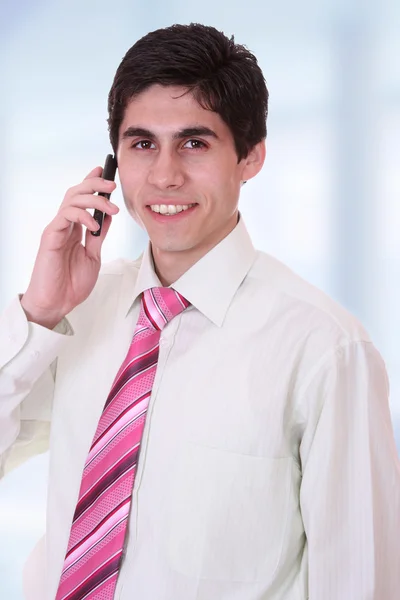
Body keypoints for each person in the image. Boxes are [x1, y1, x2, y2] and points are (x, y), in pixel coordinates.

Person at [0, 22, 399, 600]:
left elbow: (359, 584)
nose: (164, 175)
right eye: (142, 145)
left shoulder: (324, 348)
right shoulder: (77, 313)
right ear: (112, 166)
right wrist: (38, 313)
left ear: (250, 157)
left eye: (194, 143)